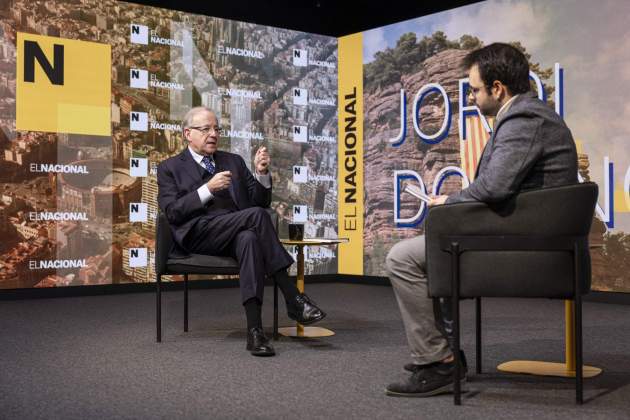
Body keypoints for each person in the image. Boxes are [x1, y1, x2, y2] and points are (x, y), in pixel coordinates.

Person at [385, 43, 578, 396]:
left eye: (475, 89)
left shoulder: (523, 120)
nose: (472, 97)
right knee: (436, 241)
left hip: (525, 248)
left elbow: (495, 187)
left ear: (498, 88)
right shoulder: (528, 116)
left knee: (401, 258)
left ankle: (439, 361)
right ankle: (442, 357)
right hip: (525, 235)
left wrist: (448, 199)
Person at [157, 106, 326, 357]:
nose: (213, 134)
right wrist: (207, 189)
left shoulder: (232, 161)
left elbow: (260, 202)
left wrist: (261, 173)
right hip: (198, 235)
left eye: (216, 128)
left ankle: (255, 332)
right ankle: (293, 298)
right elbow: (171, 212)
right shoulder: (170, 167)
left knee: (249, 238)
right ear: (187, 134)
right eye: (205, 129)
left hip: (235, 233)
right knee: (255, 219)